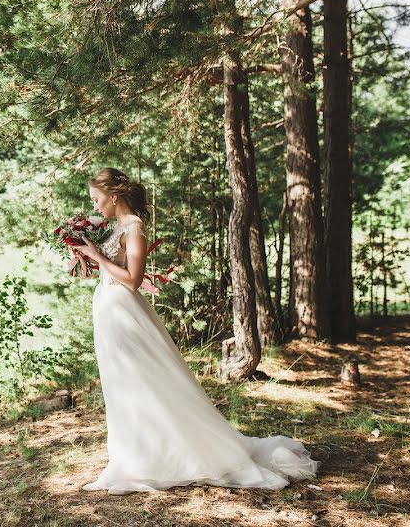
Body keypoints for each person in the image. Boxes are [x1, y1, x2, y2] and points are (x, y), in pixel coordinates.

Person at [68, 167, 319, 495]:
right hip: (108, 310)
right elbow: (108, 271)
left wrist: (97, 256)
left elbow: (131, 281)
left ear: (114, 196)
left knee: (143, 381)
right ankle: (135, 453)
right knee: (122, 386)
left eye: (97, 199)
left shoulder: (135, 229)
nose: (95, 206)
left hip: (124, 312)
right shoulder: (114, 227)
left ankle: (162, 456)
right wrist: (82, 259)